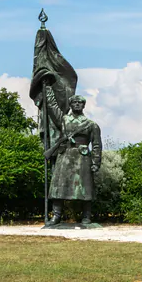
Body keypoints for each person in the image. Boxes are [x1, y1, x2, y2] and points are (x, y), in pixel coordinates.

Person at [43, 85, 102, 225]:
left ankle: (86, 216)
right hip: (65, 155)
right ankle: (56, 216)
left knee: (85, 188)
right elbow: (52, 107)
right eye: (74, 102)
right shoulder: (64, 120)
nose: (77, 104)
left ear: (83, 105)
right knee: (59, 186)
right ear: (70, 105)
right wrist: (48, 89)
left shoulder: (91, 124)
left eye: (80, 102)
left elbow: (96, 145)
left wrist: (96, 163)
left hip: (82, 158)